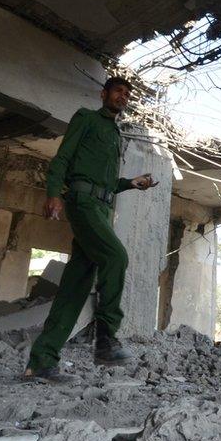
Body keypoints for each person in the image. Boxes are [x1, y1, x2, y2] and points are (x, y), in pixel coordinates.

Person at [23, 76, 159, 382]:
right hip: (83, 203)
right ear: (104, 94)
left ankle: (41, 361)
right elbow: (64, 157)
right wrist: (53, 193)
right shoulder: (87, 118)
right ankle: (105, 339)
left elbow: (107, 182)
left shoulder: (115, 134)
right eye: (118, 91)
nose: (123, 97)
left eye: (127, 94)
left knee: (75, 288)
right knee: (116, 257)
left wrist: (130, 183)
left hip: (101, 206)